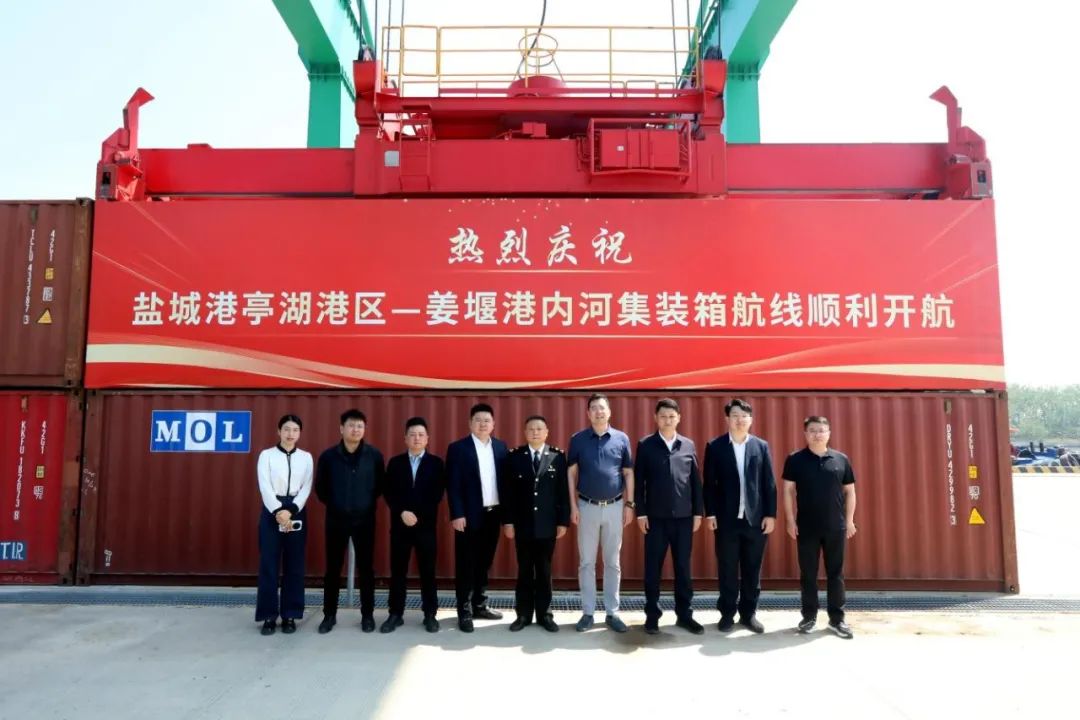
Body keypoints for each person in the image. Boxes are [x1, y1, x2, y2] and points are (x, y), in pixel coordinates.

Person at [703, 399, 777, 633]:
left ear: (751, 420)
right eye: (735, 415)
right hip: (726, 519)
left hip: (755, 519)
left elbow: (769, 483)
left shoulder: (761, 446)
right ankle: (727, 614)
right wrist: (710, 513)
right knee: (727, 568)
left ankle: (748, 614)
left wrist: (771, 514)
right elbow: (709, 484)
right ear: (727, 419)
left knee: (752, 569)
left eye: (744, 416)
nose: (739, 420)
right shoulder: (715, 446)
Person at [782, 415, 857, 639]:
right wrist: (790, 520)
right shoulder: (795, 459)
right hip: (806, 527)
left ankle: (837, 619)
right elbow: (787, 491)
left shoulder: (841, 459)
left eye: (822, 430)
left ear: (829, 433)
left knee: (836, 573)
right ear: (805, 434)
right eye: (813, 430)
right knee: (808, 574)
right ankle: (809, 617)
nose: (817, 434)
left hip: (836, 527)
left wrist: (850, 520)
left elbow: (850, 491)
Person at [634, 398, 704, 635]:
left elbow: (695, 482)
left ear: (679, 418)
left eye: (672, 416)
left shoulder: (688, 445)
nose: (667, 420)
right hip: (655, 519)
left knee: (683, 567)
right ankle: (652, 616)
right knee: (652, 568)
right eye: (663, 416)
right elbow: (639, 483)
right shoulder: (646, 445)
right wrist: (640, 513)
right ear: (655, 418)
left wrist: (698, 512)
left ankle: (684, 615)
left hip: (684, 519)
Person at [567, 393, 635, 633]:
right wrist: (573, 506)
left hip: (615, 507)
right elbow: (571, 474)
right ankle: (587, 612)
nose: (598, 412)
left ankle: (612, 612)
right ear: (588, 413)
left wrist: (629, 505)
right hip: (586, 507)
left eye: (602, 408)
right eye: (594, 408)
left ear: (609, 412)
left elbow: (628, 473)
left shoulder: (621, 438)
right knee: (586, 562)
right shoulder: (578, 439)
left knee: (612, 562)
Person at [315, 409, 385, 634]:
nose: (355, 430)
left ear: (364, 429)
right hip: (336, 520)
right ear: (341, 428)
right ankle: (329, 615)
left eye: (360, 426)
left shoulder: (374, 456)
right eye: (351, 425)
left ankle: (367, 615)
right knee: (333, 569)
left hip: (365, 520)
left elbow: (379, 487)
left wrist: (363, 504)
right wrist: (337, 504)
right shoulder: (328, 457)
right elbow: (321, 488)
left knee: (366, 569)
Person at [500, 415, 570, 633]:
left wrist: (563, 521)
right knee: (524, 571)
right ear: (524, 432)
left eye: (539, 429)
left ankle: (545, 614)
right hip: (523, 525)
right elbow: (508, 493)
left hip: (547, 526)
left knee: (544, 571)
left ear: (547, 432)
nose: (535, 432)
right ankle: (523, 614)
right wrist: (508, 522)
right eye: (531, 429)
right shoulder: (514, 457)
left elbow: (562, 493)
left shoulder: (557, 457)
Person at [446, 403, 509, 633]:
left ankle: (480, 605)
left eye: (487, 420)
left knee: (484, 561)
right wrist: (457, 514)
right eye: (478, 420)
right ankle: (464, 611)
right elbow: (452, 484)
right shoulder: (458, 448)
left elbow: (506, 483)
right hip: (468, 516)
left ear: (493, 424)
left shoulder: (501, 447)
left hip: (493, 513)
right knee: (466, 563)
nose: (483, 424)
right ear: (470, 423)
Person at [381, 417, 445, 634]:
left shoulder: (436, 463)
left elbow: (437, 494)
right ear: (405, 438)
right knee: (398, 571)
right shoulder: (395, 463)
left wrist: (417, 515)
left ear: (427, 438)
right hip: (400, 526)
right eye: (412, 434)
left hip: (425, 527)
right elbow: (389, 492)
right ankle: (395, 614)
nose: (417, 438)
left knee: (428, 571)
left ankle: (430, 614)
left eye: (421, 435)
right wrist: (402, 512)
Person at [255, 414, 314, 635]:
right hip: (272, 510)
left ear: (300, 433)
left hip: (296, 511)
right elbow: (264, 485)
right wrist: (278, 511)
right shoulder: (267, 455)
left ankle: (290, 614)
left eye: (295, 430)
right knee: (269, 564)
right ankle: (268, 616)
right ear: (279, 431)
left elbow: (306, 487)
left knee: (294, 565)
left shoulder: (306, 458)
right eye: (287, 429)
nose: (291, 434)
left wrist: (292, 510)